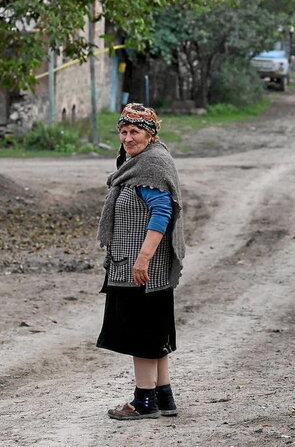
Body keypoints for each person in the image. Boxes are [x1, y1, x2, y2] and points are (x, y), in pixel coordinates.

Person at [96, 103, 185, 420]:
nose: (128, 137)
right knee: (153, 332)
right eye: (123, 131)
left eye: (135, 131)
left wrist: (143, 258)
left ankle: (143, 402)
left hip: (143, 267)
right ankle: (164, 398)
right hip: (147, 269)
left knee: (141, 336)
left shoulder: (150, 167)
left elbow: (163, 213)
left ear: (150, 134)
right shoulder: (143, 162)